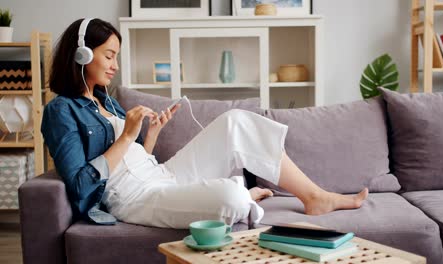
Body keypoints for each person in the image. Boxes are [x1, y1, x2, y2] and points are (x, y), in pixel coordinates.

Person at [42, 18, 368, 228]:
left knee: (236, 122)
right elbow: (81, 185)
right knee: (231, 197)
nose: (115, 65)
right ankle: (241, 198)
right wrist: (126, 137)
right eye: (109, 55)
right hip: (134, 198)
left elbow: (133, 156)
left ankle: (313, 196)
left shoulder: (106, 100)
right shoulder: (61, 111)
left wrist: (150, 135)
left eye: (116, 56)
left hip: (161, 175)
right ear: (81, 54)